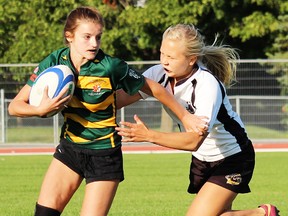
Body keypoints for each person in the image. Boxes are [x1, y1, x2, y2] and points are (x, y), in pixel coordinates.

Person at [8, 9, 207, 216]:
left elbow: (155, 88)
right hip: (70, 149)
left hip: (104, 155)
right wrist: (39, 109)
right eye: (87, 37)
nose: (94, 43)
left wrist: (186, 116)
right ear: (69, 36)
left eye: (98, 37)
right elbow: (14, 106)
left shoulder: (110, 66)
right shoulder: (54, 62)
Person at [115, 24, 280, 216]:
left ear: (192, 59)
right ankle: (262, 214)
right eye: (162, 54)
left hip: (233, 157)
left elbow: (193, 141)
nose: (164, 61)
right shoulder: (158, 73)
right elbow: (119, 99)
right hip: (202, 161)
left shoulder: (206, 85)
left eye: (171, 57)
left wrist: (149, 135)